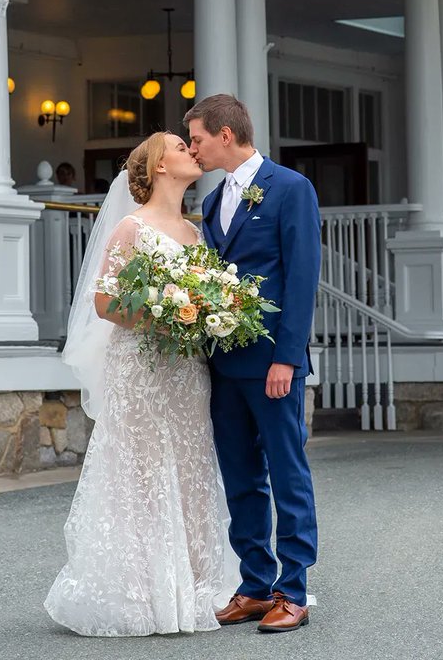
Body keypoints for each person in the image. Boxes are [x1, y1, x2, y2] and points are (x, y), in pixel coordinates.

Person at [44, 133, 235, 636]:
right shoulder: (132, 228)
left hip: (187, 372)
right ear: (159, 166)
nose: (190, 150)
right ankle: (140, 589)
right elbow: (105, 304)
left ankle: (193, 586)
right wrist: (166, 316)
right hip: (141, 370)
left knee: (192, 471)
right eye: (179, 145)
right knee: (144, 473)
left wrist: (202, 316)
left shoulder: (196, 235)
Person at [185, 94, 321, 634]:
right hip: (222, 366)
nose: (192, 147)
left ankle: (294, 588)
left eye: (196, 137)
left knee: (287, 473)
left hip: (272, 365)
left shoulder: (291, 188)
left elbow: (301, 276)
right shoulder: (215, 198)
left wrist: (288, 356)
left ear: (224, 132)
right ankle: (255, 585)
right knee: (239, 477)